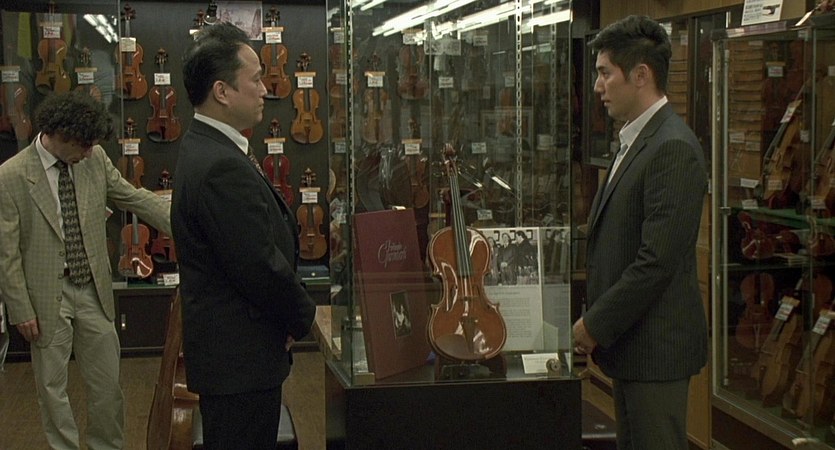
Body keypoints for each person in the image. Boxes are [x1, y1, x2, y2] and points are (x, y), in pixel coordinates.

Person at [0, 90, 171, 449]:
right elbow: (7, 253)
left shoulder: (94, 160)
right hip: (46, 295)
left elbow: (132, 196)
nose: (91, 152)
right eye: (85, 145)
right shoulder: (11, 176)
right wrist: (20, 308)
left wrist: (186, 223)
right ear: (61, 135)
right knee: (52, 389)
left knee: (107, 385)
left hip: (93, 287)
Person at [172, 22, 316, 449]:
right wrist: (300, 317)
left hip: (237, 357)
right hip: (240, 361)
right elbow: (256, 264)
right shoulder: (220, 164)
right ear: (222, 91)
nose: (265, 90)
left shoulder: (208, 145)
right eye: (254, 80)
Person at [571, 15, 708, 450]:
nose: (598, 87)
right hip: (632, 346)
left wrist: (594, 325)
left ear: (641, 75)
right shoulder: (636, 139)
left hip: (656, 352)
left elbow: (656, 263)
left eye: (605, 73)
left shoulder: (672, 147)